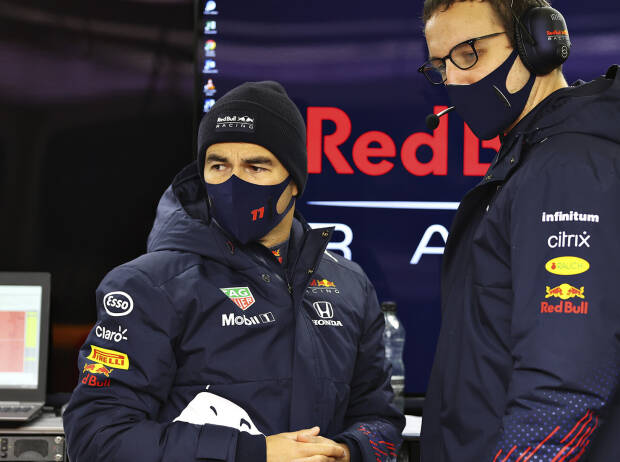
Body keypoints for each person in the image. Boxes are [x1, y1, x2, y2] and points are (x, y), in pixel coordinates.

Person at [62, 81, 404, 462]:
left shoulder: (351, 286)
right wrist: (254, 454)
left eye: (256, 167)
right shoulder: (147, 286)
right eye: (219, 165)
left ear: (293, 181)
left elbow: (381, 423)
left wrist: (347, 451)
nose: (233, 181)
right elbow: (95, 438)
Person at [417, 0, 620, 461]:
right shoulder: (532, 159)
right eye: (440, 66)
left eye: (468, 53)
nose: (454, 79)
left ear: (540, 44)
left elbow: (566, 385)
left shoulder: (568, 168)